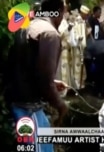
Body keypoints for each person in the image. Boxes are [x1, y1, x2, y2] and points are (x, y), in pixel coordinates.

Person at [4, 0, 68, 151]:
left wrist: (52, 81)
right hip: (30, 109)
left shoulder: (27, 26)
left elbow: (27, 67)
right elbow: (45, 83)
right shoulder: (50, 34)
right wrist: (61, 105)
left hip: (18, 104)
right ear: (59, 12)